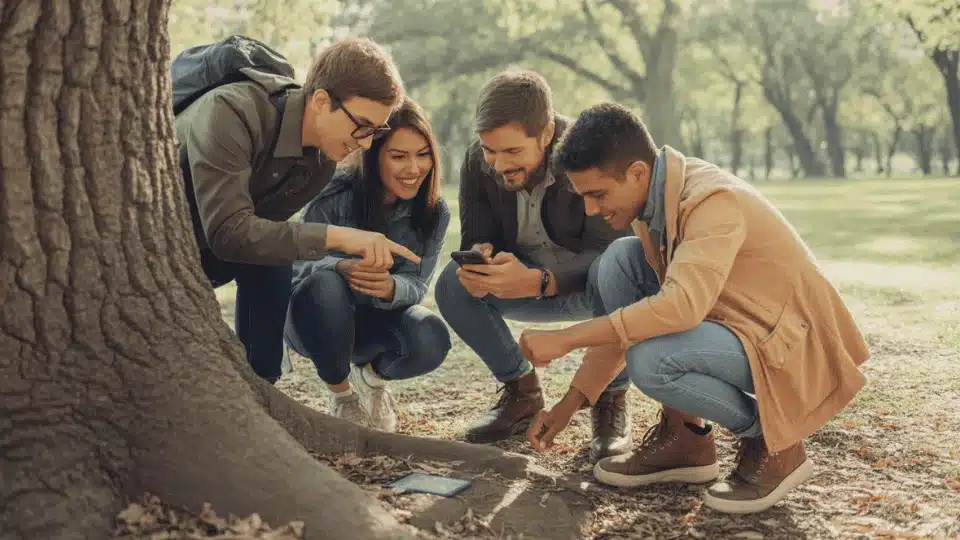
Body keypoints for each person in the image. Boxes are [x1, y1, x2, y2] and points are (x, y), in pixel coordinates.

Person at [520, 103, 870, 514]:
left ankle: (776, 445)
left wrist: (566, 338)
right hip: (738, 326)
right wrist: (568, 405)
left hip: (795, 348)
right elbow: (630, 324)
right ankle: (686, 440)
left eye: (598, 194)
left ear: (637, 173)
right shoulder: (655, 202)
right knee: (618, 263)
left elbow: (679, 308)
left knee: (651, 360)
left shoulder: (711, 200)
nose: (591, 210)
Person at [175, 38, 421, 384]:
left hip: (210, 254)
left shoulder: (321, 162)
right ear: (321, 101)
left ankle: (262, 385)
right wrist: (340, 237)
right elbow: (229, 232)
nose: (366, 143)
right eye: (362, 126)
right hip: (159, 252)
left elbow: (265, 238)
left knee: (277, 254)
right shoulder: (231, 110)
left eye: (375, 132)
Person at [433, 70, 631, 462]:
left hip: (591, 288)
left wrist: (542, 281)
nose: (498, 164)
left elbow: (613, 253)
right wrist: (482, 261)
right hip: (522, 283)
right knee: (451, 285)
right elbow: (477, 235)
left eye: (512, 152)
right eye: (490, 151)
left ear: (547, 133)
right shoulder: (479, 160)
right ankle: (522, 391)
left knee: (619, 270)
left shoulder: (589, 153)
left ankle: (611, 397)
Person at [285, 98, 452, 431]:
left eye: (423, 154)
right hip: (316, 322)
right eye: (399, 156)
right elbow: (296, 270)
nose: (414, 168)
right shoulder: (332, 195)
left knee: (431, 335)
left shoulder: (434, 212)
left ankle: (370, 381)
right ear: (373, 157)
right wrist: (340, 268)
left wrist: (391, 288)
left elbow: (417, 284)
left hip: (375, 322)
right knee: (326, 284)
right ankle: (343, 396)